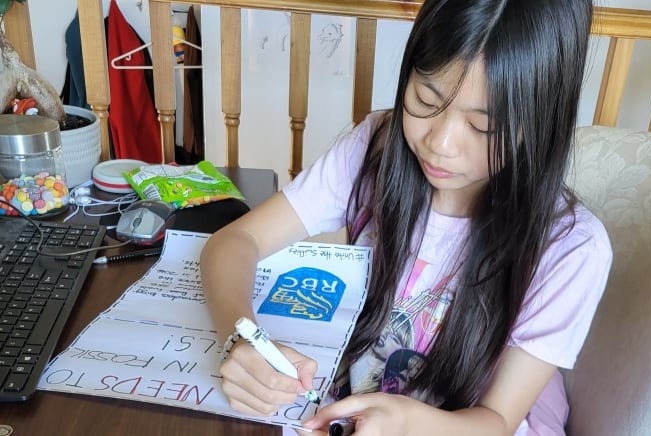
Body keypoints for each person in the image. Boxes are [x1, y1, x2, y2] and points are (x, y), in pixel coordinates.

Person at [200, 0, 612, 434]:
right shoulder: (374, 149)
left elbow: (497, 421)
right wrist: (241, 336)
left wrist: (407, 422)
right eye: (426, 99)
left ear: (544, 119)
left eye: (484, 127)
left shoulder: (570, 246)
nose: (441, 143)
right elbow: (233, 243)